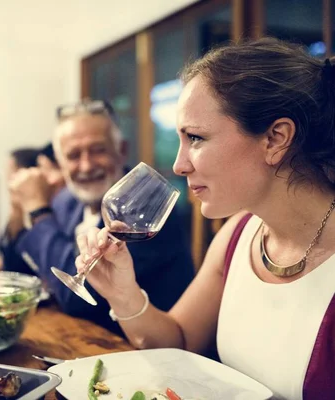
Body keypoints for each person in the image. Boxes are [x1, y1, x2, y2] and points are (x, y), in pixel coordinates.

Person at [76, 39, 335, 399]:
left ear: (276, 139)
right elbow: (179, 341)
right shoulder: (239, 233)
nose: (180, 165)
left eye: (195, 138)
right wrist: (124, 295)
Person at [6, 100, 194, 335]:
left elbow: (77, 300)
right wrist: (17, 213)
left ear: (121, 151)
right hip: (82, 340)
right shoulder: (67, 200)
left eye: (98, 150)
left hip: (143, 349)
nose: (86, 165)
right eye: (73, 155)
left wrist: (37, 209)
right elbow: (17, 273)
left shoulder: (146, 206)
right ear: (61, 162)